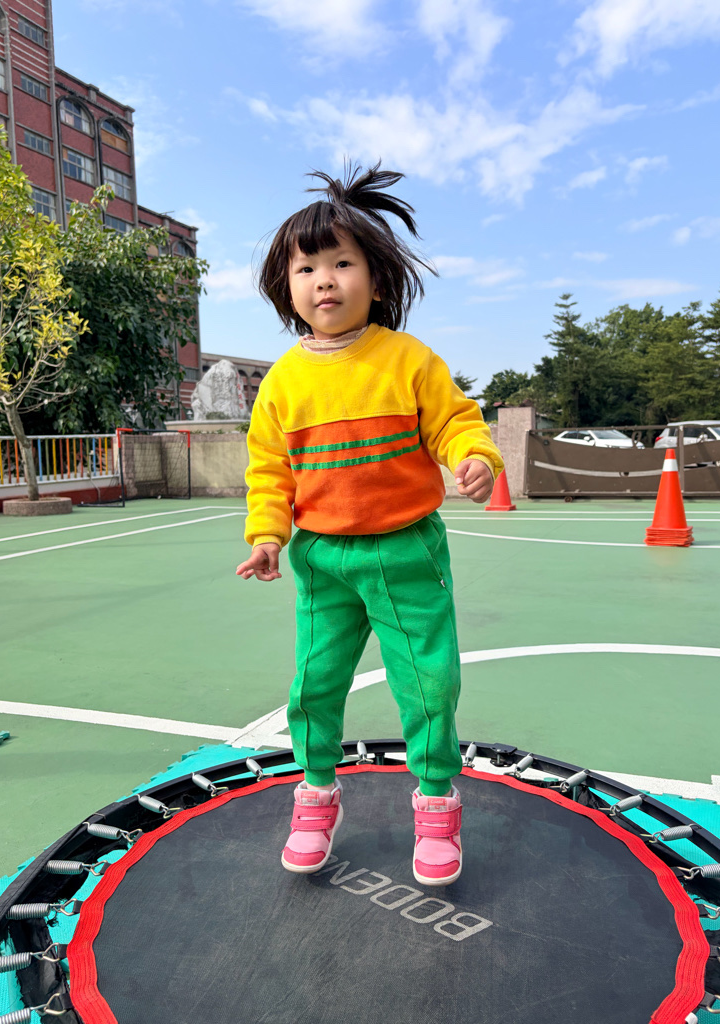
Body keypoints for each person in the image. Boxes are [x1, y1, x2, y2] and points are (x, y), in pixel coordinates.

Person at [236, 163, 504, 886]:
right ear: (287, 288)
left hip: (408, 550)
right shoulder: (282, 382)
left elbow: (455, 421)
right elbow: (269, 469)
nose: (324, 280)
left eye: (342, 263)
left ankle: (437, 800)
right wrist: (267, 536)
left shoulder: (407, 359)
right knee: (314, 684)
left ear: (377, 279)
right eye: (306, 268)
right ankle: (316, 793)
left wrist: (473, 457)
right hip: (322, 559)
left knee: (428, 683)